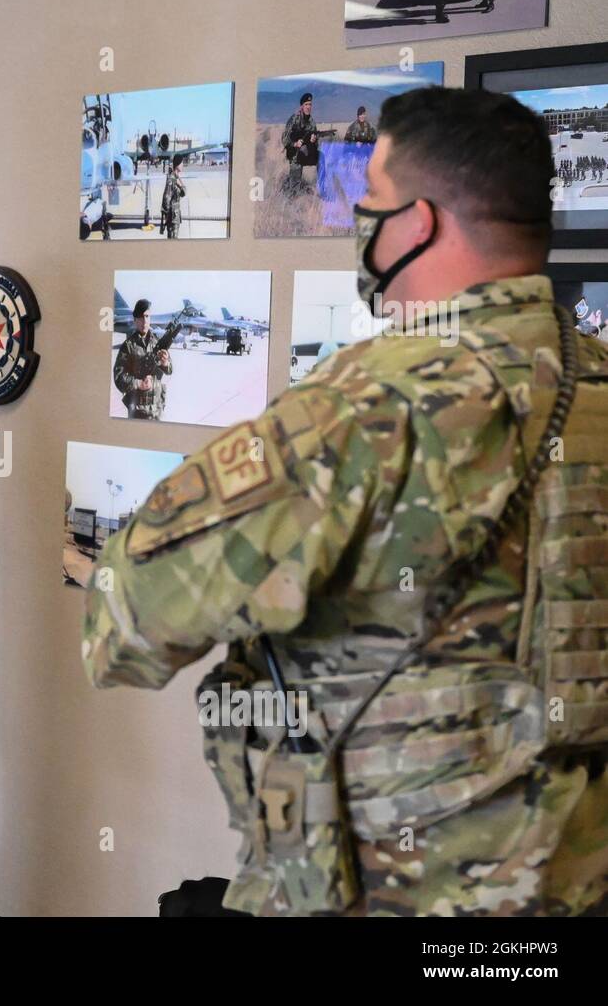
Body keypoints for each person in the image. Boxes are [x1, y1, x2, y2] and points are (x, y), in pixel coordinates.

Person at [83, 87, 608, 916]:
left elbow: (124, 625)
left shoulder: (362, 407)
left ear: (420, 222)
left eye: (368, 205)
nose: (359, 225)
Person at [112, 298, 172, 420]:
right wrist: (139, 384)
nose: (144, 321)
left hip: (157, 409)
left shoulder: (158, 343)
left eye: (147, 316)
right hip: (138, 411)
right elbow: (119, 377)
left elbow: (170, 370)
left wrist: (166, 363)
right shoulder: (128, 346)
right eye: (140, 317)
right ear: (135, 320)